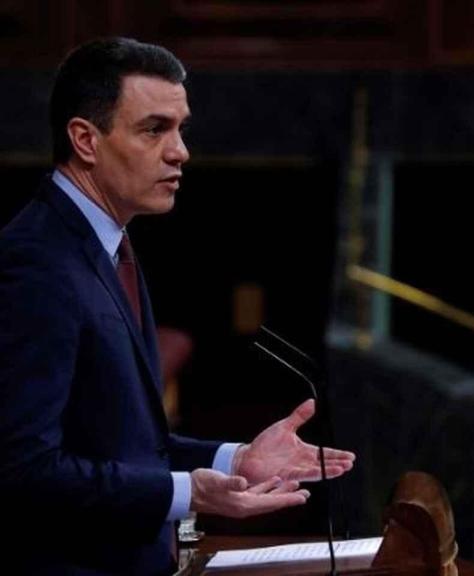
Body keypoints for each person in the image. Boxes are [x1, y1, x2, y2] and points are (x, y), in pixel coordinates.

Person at [0, 37, 355, 574]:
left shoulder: (107, 242)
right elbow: (20, 470)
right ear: (85, 139)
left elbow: (116, 441)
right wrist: (190, 493)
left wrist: (234, 460)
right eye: (154, 129)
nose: (180, 150)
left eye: (180, 128)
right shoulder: (34, 262)